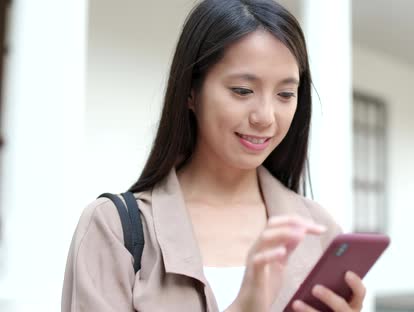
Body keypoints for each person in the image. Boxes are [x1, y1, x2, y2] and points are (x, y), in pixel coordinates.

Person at [61, 0, 366, 311]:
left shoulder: (320, 231)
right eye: (243, 91)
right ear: (191, 92)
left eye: (285, 94)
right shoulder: (114, 229)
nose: (266, 117)